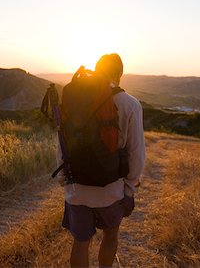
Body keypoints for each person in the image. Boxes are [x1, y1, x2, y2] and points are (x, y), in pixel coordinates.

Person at [57, 53, 146, 267]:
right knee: (110, 237)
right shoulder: (130, 103)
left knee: (80, 243)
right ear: (119, 73)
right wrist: (130, 188)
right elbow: (137, 152)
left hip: (76, 186)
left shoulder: (74, 99)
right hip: (111, 190)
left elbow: (61, 142)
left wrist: (65, 179)